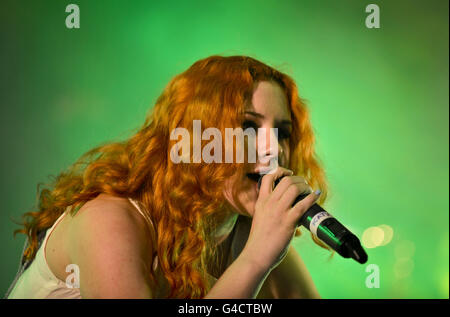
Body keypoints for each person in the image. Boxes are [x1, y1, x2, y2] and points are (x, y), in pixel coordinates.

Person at [5, 55, 330, 299]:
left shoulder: (249, 238)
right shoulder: (109, 218)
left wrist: (259, 255)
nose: (272, 148)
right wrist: (256, 260)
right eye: (248, 127)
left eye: (282, 132)